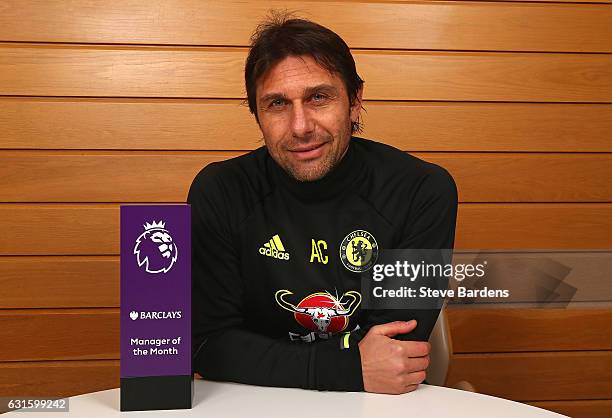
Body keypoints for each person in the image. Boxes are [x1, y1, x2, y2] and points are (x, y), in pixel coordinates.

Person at [187, 14, 458, 394]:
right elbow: (207, 345)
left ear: (355, 101)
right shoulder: (220, 190)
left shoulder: (422, 190)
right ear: (257, 114)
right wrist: (345, 367)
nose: (300, 127)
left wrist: (261, 357)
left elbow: (396, 350)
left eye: (318, 97)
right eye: (277, 104)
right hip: (255, 403)